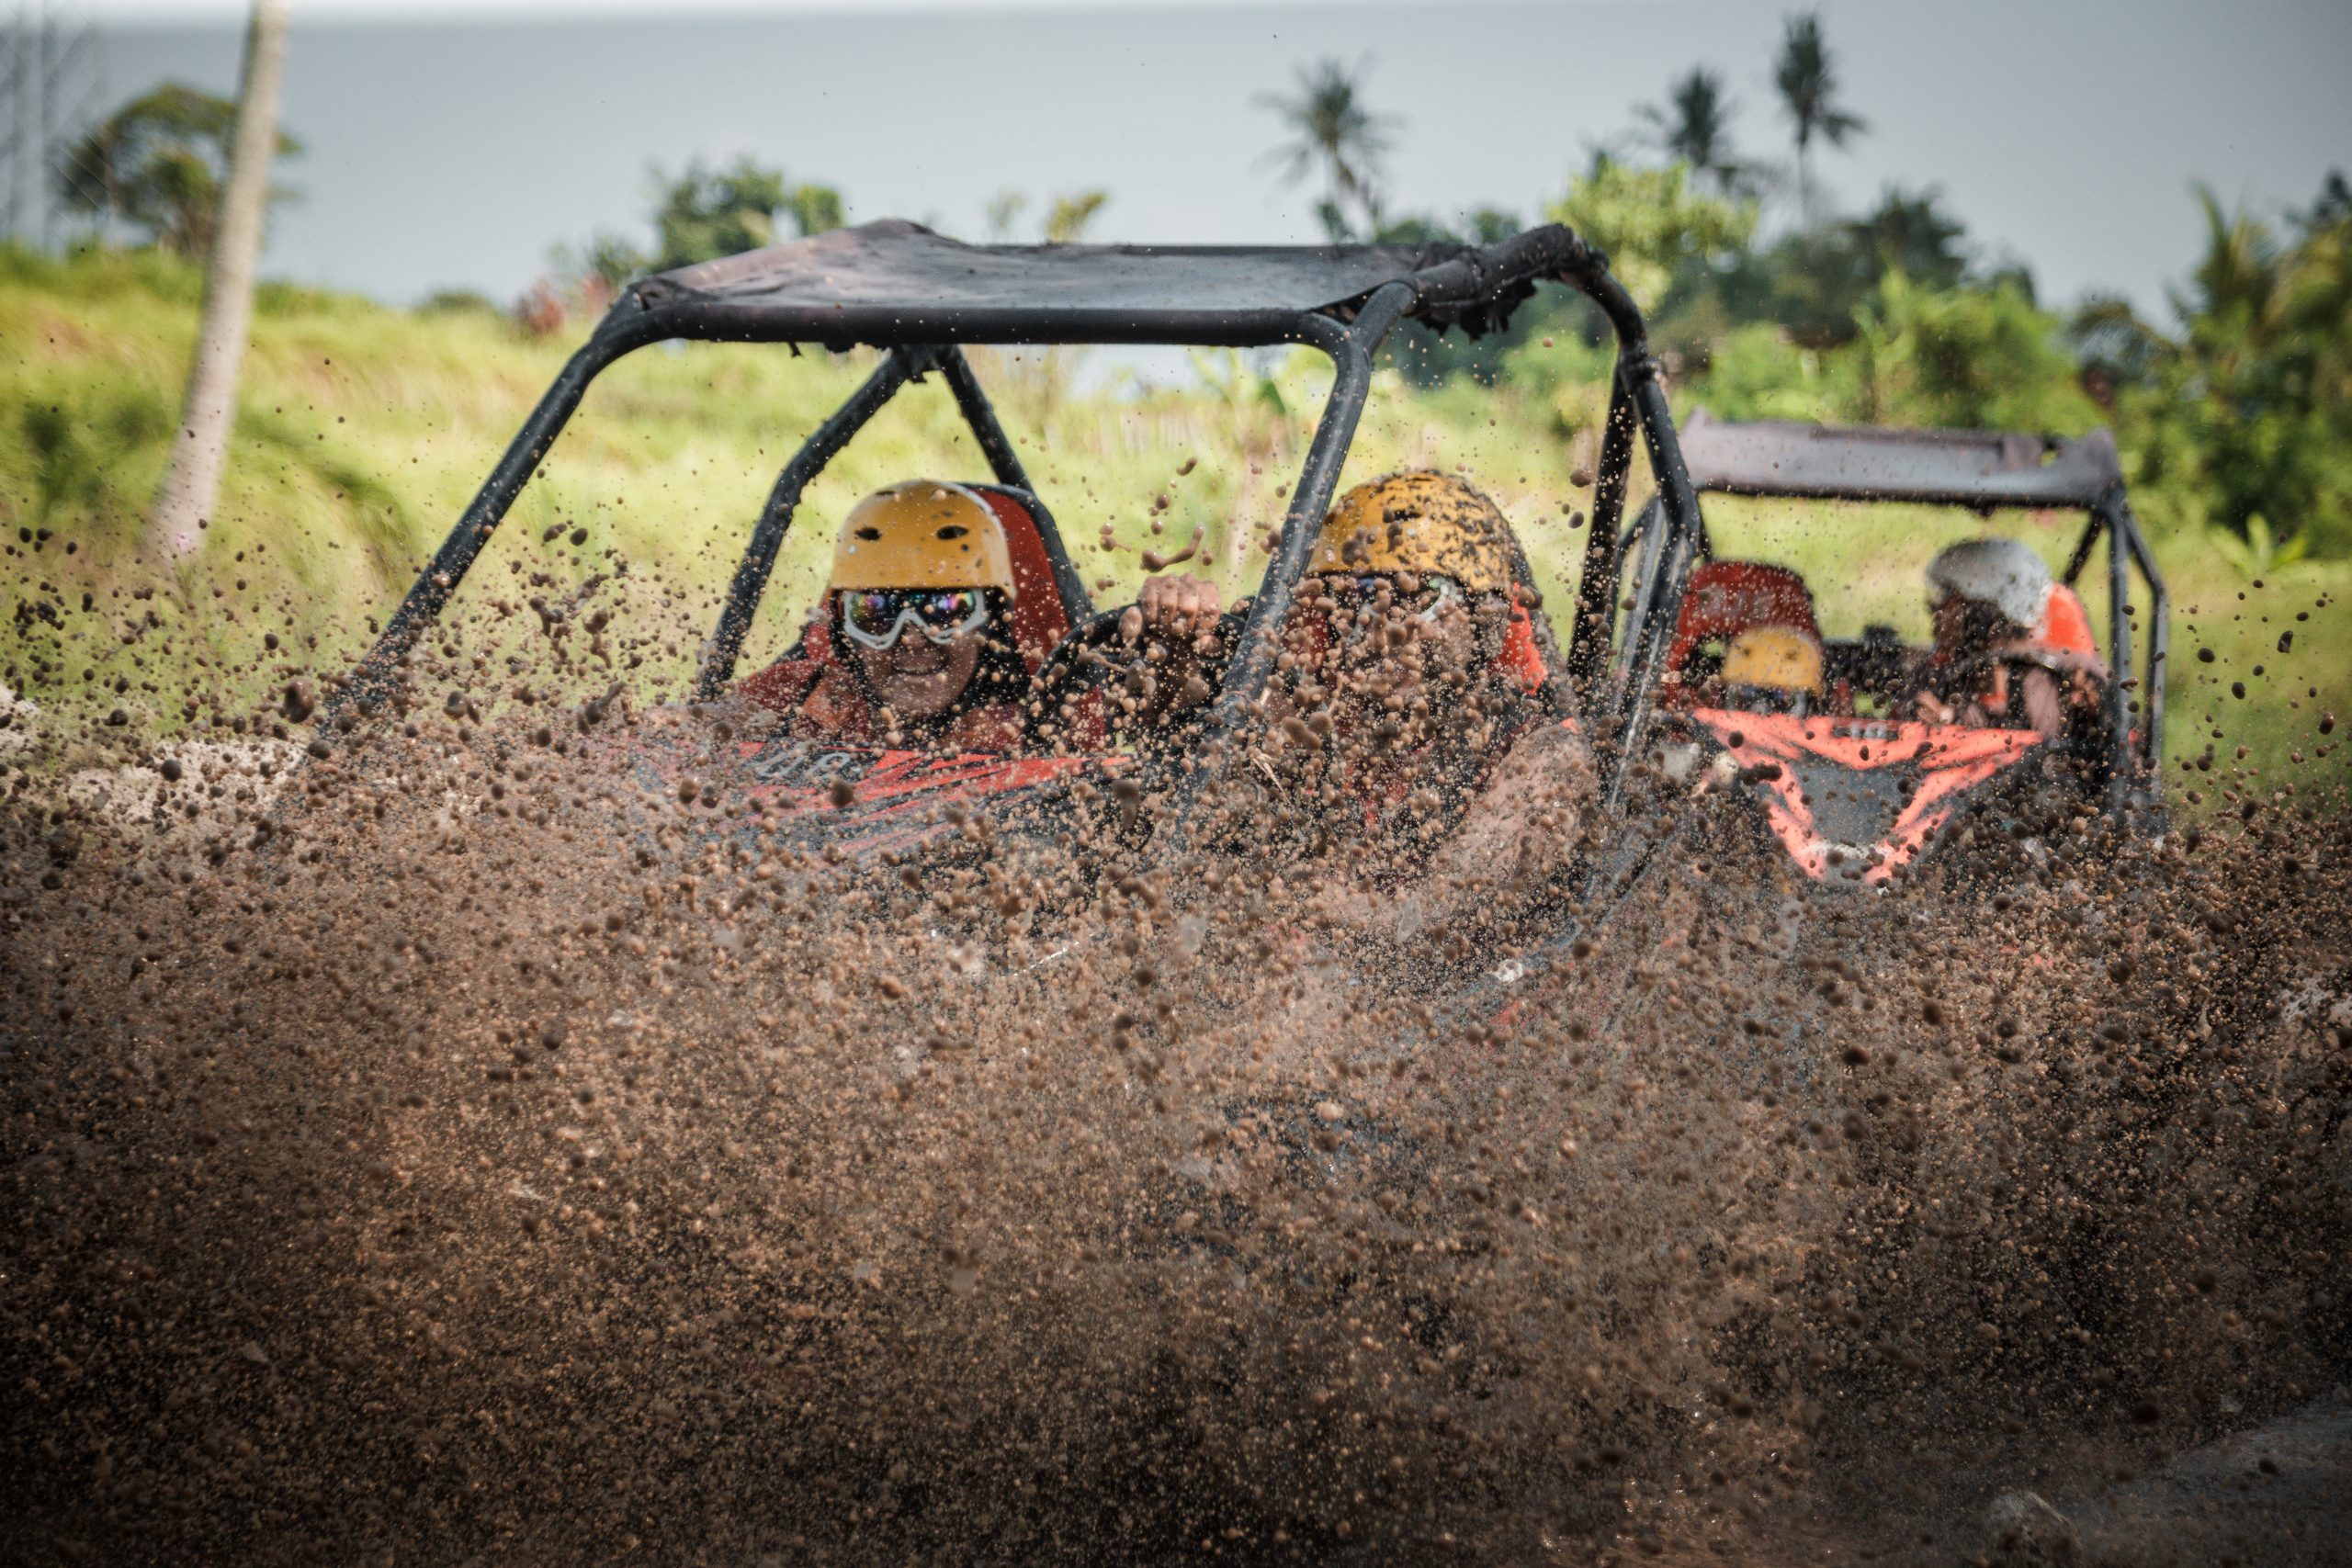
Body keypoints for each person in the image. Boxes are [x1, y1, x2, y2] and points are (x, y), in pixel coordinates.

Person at [1129, 471, 1589, 927]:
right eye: (1359, 598)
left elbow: (1423, 926)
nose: (1382, 627)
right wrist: (1177, 658)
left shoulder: (1537, 757)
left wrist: (1276, 898)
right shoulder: (1314, 722)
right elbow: (1183, 763)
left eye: (1419, 596)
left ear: (1482, 615)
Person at [737, 479, 1035, 750]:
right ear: (845, 632)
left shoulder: (1030, 735)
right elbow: (696, 736)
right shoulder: (795, 695)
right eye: (878, 612)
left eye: (945, 610)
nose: (913, 639)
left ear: (991, 624)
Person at [1914, 537, 2104, 738]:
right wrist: (1931, 728)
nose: (1935, 609)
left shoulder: (2074, 675)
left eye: (1947, 599)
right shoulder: (1932, 676)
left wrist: (2093, 716)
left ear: (1980, 611)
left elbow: (2120, 747)